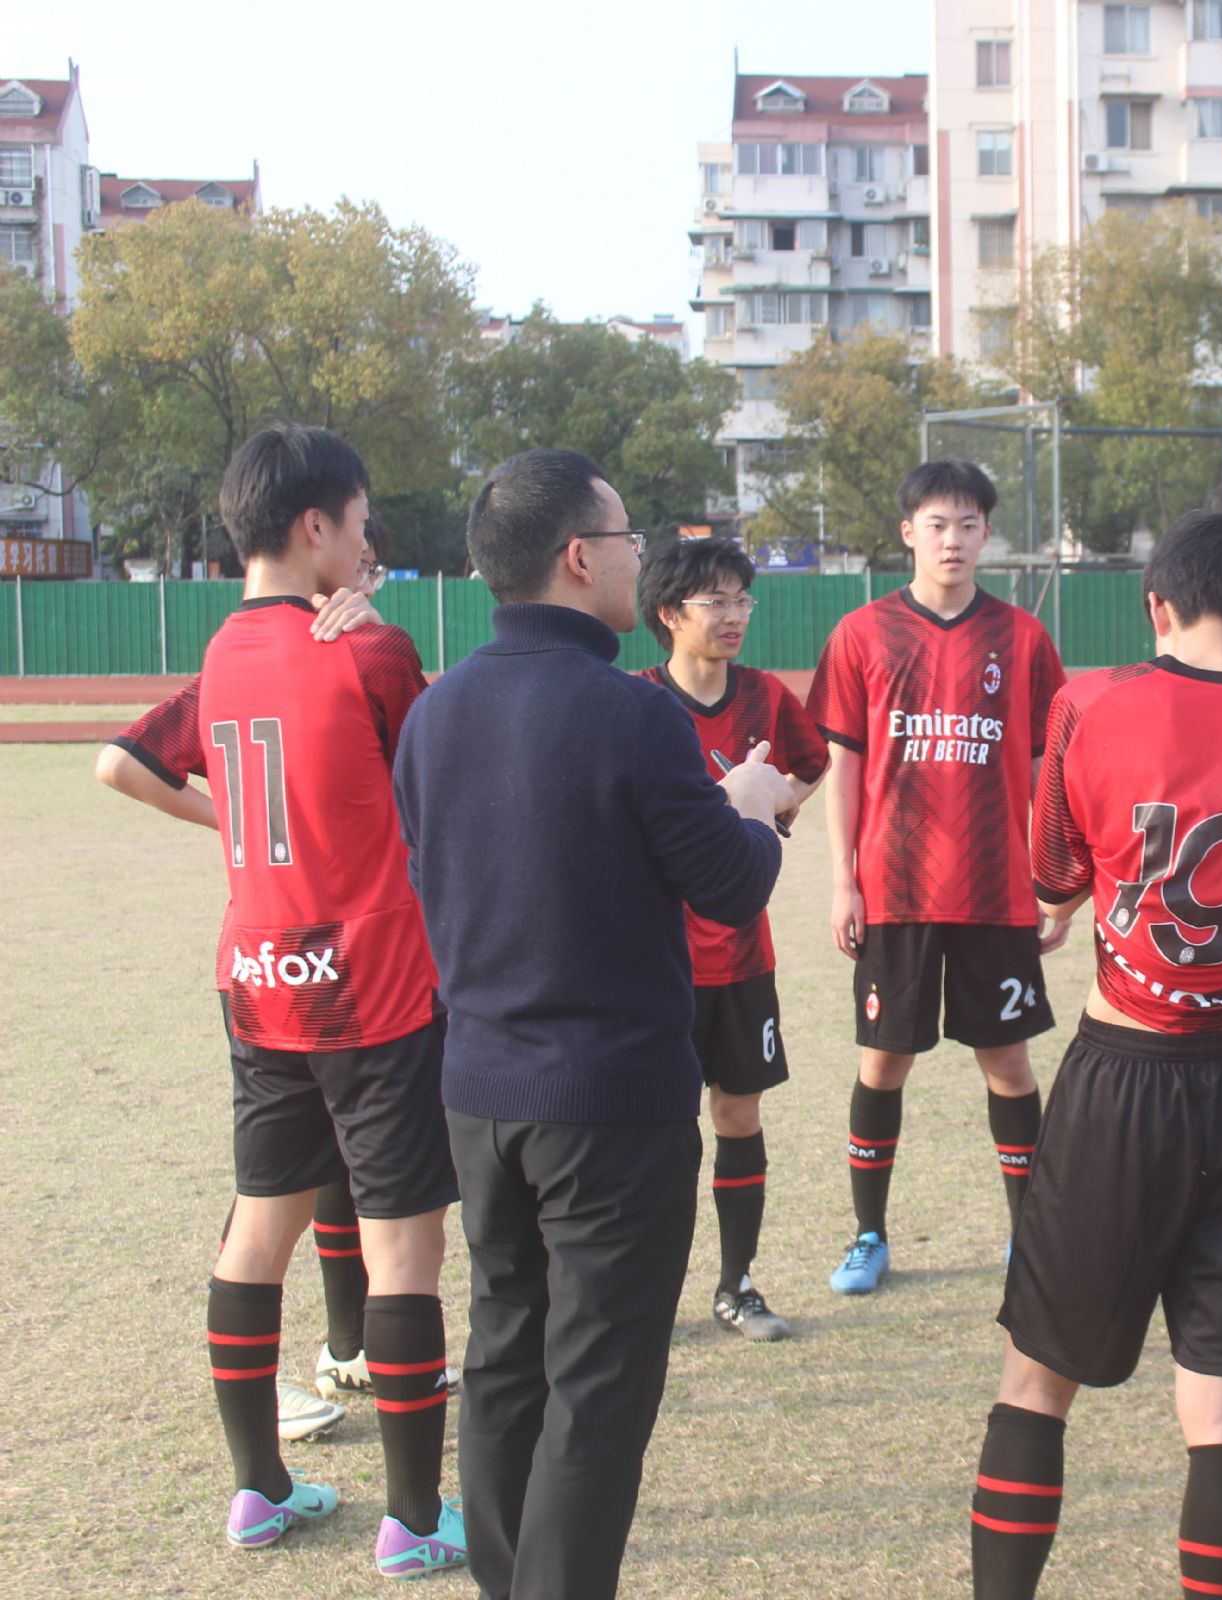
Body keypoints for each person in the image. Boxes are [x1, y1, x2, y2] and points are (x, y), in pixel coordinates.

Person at [393, 449, 793, 1600]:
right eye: (626, 541)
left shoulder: (436, 712)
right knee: (599, 1390)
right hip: (609, 1105)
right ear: (578, 557)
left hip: (480, 1095)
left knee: (504, 1356)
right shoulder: (634, 713)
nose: (636, 560)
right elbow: (729, 883)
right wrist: (751, 810)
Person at [970, 504, 1222, 1600]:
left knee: (1037, 1380)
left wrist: (1091, 894)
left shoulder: (1090, 704)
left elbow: (1055, 871)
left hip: (1118, 1080)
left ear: (1156, 606)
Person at [94, 425, 466, 1576]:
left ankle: (255, 1490)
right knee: (406, 1250)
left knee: (259, 1228)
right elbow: (444, 782)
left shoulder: (221, 654)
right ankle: (414, 1519)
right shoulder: (370, 650)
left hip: (257, 981)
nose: (366, 544)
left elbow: (134, 762)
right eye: (359, 523)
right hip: (374, 989)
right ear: (315, 525)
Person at [806, 460, 1068, 1295]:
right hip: (896, 888)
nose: (952, 539)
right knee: (883, 1063)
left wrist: (1053, 877)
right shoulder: (863, 633)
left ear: (986, 533)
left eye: (967, 524)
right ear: (908, 533)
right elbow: (844, 768)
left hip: (996, 891)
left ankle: (1030, 1237)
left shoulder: (1023, 638)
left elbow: (1049, 769)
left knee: (1009, 1066)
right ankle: (869, 1235)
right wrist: (843, 881)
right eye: (936, 524)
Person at [637, 535, 830, 1342]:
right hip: (659, 961)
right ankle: (646, 1300)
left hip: (744, 954)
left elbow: (811, 762)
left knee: (738, 1116)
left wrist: (777, 801)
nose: (733, 614)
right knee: (657, 1133)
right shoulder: (638, 704)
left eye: (741, 598)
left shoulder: (765, 696)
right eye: (714, 600)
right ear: (668, 613)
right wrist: (722, 804)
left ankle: (737, 1285)